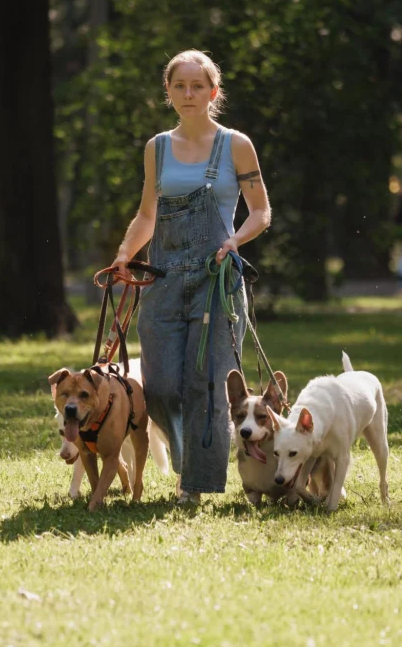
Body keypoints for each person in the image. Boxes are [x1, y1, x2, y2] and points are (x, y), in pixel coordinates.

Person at [109, 49, 272, 505]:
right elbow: (147, 215)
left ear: (213, 92)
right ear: (168, 92)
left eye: (197, 86)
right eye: (179, 86)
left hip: (217, 281)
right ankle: (190, 463)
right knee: (160, 386)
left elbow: (260, 211)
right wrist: (125, 254)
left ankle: (194, 487)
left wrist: (235, 241)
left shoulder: (235, 144)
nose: (188, 94)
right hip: (162, 280)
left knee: (209, 385)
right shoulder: (157, 148)